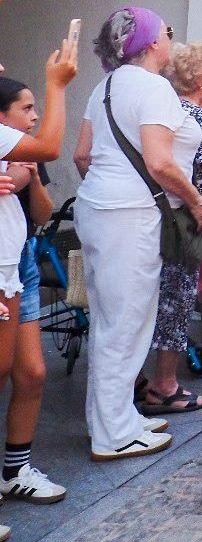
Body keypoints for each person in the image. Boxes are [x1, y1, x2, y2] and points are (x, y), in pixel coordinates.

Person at [75, 8, 202, 460]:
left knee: (111, 321)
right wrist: (195, 201)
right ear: (152, 43)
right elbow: (160, 163)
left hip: (100, 208)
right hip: (129, 215)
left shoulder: (105, 86)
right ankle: (113, 434)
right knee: (126, 323)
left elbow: (81, 155)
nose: (171, 40)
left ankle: (114, 419)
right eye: (167, 33)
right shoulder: (153, 88)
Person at [141, 42, 202, 416]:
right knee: (175, 299)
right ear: (198, 78)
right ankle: (165, 384)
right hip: (184, 220)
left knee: (159, 298)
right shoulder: (193, 115)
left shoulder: (167, 110)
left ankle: (143, 382)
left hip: (161, 217)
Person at [0, 51, 76, 506]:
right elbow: (51, 144)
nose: (34, 117)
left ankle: (16, 470)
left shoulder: (21, 147)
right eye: (26, 109)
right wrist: (58, 85)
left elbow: (43, 214)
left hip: (19, 259)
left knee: (31, 372)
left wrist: (30, 180)